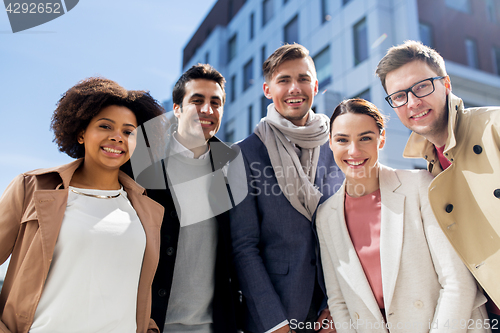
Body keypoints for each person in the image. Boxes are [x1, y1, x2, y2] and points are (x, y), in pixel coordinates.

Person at [0, 77, 165, 333]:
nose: (117, 137)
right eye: (105, 126)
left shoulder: (147, 210)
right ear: (80, 133)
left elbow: (137, 294)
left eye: (128, 131)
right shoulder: (31, 187)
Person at [316, 98, 488, 333]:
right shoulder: (326, 216)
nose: (353, 150)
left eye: (365, 137)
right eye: (342, 140)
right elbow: (339, 301)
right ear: (331, 143)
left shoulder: (420, 186)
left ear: (382, 139)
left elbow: (457, 282)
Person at [376, 40, 500, 327]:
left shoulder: (494, 127)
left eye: (421, 87)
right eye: (399, 96)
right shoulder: (429, 168)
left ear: (445, 83)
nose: (413, 102)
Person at [230, 43, 343, 333]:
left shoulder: (338, 148)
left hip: (332, 315)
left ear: (315, 85)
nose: (295, 88)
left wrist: (334, 305)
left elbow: (347, 234)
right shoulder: (245, 154)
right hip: (275, 314)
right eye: (284, 80)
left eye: (303, 79)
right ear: (268, 90)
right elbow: (244, 247)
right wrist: (275, 322)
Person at [131, 64, 245, 333]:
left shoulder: (232, 167)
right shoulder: (144, 161)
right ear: (177, 109)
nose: (207, 110)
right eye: (197, 101)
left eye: (215, 103)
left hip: (213, 326)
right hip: (150, 323)